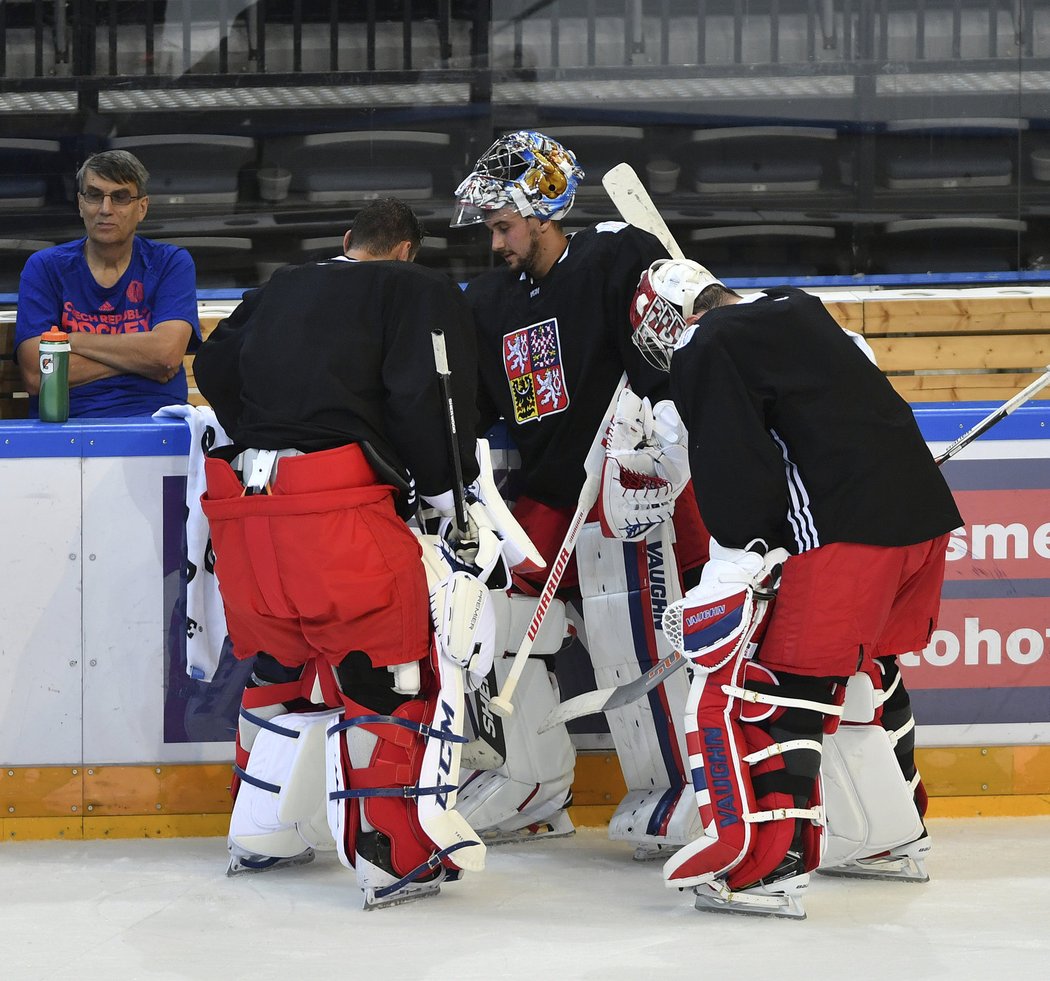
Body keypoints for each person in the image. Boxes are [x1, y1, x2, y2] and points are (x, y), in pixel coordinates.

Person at [192, 198, 507, 909]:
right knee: (387, 673)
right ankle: (390, 855)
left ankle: (261, 833)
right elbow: (431, 395)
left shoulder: (280, 285)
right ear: (405, 251)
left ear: (346, 241)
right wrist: (443, 490)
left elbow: (211, 361)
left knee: (284, 667)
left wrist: (268, 428)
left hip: (246, 514)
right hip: (339, 512)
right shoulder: (412, 288)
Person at [628, 257, 963, 918]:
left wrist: (742, 557)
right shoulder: (800, 309)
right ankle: (885, 839)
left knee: (772, 690)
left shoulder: (704, 344)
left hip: (844, 533)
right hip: (922, 518)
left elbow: (732, 458)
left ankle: (769, 864)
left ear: (670, 321)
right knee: (863, 673)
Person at [449, 130, 710, 857]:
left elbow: (667, 358)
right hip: (552, 493)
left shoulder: (615, 256)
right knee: (488, 616)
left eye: (503, 226)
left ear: (541, 213)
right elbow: (474, 410)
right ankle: (528, 782)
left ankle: (682, 788)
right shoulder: (490, 298)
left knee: (636, 636)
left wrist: (661, 427)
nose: (495, 243)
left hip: (630, 487)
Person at [14, 149, 201, 417]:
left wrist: (70, 341)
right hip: (66, 427)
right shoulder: (45, 267)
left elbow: (166, 355)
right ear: (80, 204)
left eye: (120, 197)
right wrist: (141, 361)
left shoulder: (170, 263)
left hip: (157, 423)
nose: (105, 209)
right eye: (94, 195)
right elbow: (36, 375)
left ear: (142, 207)